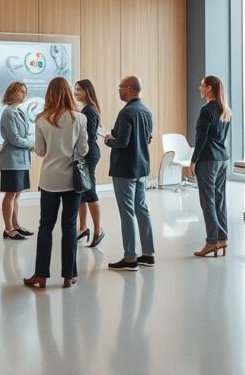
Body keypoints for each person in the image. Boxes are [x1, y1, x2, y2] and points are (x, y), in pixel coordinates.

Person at [24, 77, 89, 289]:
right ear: (69, 93)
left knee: (45, 226)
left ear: (49, 94)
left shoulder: (42, 119)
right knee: (70, 227)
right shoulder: (79, 118)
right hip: (72, 180)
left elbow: (41, 151)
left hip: (49, 180)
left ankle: (41, 276)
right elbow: (83, 150)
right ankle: (68, 276)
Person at [105, 76, 156, 271]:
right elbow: (148, 138)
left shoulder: (126, 112)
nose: (119, 91)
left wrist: (109, 139)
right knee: (141, 209)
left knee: (127, 212)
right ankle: (148, 254)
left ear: (129, 89)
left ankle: (130, 258)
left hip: (125, 169)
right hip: (142, 167)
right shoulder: (146, 111)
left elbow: (122, 142)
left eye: (121, 87)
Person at [189, 76, 232, 257]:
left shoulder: (207, 110)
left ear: (209, 88)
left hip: (208, 160)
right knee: (219, 199)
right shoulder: (226, 110)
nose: (199, 89)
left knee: (208, 201)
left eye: (202, 86)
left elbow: (201, 139)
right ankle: (222, 239)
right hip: (222, 159)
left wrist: (193, 161)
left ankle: (211, 242)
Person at [0, 82, 35, 240]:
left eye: (25, 91)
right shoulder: (8, 113)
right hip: (11, 160)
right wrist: (31, 144)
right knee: (11, 194)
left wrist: (29, 143)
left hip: (21, 159)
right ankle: (8, 229)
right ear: (12, 93)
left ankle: (16, 225)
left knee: (17, 194)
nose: (24, 94)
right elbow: (14, 139)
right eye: (21, 91)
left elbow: (24, 135)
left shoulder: (19, 112)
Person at [74, 79, 105, 247]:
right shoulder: (86, 109)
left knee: (89, 191)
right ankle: (83, 228)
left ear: (87, 90)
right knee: (81, 192)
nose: (75, 92)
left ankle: (98, 229)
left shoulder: (89, 111)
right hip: (84, 154)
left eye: (79, 89)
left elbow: (89, 136)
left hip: (88, 155)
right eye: (75, 89)